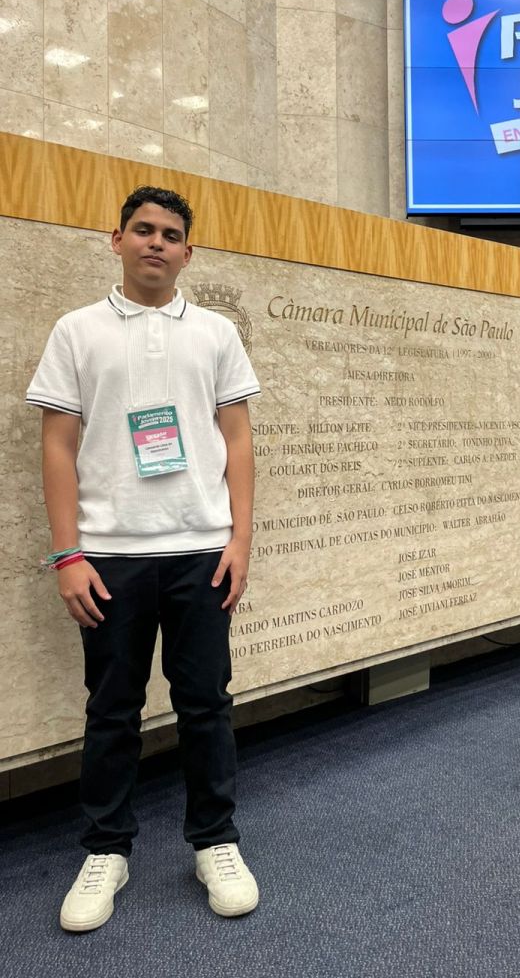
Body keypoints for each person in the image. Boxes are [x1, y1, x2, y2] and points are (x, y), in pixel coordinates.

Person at [26, 185, 260, 931]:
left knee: (206, 706)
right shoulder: (77, 331)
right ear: (117, 240)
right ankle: (107, 850)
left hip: (200, 551)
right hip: (111, 556)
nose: (156, 243)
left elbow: (239, 438)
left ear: (189, 252)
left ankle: (214, 841)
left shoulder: (217, 333)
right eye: (142, 230)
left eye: (170, 234)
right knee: (112, 710)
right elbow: (58, 443)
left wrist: (241, 537)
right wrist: (68, 552)